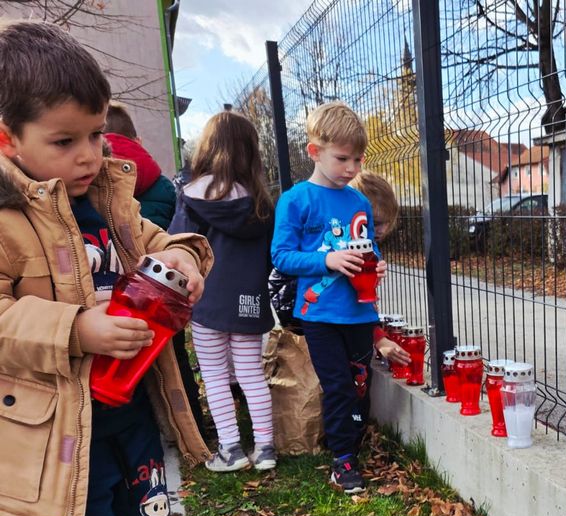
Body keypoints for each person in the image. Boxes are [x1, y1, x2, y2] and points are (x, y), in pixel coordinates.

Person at [0, 21, 218, 516]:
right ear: (9, 139)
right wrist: (76, 326)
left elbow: (169, 240)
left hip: (128, 414)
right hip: (59, 432)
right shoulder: (8, 217)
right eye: (65, 141)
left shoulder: (110, 199)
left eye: (96, 134)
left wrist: (184, 261)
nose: (90, 154)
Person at [271, 102, 389, 493]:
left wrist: (378, 264)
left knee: (359, 383)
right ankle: (343, 460)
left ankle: (353, 441)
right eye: (342, 158)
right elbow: (282, 256)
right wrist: (328, 260)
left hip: (360, 313)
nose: (352, 169)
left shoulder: (359, 202)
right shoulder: (296, 200)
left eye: (358, 159)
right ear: (314, 151)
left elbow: (367, 244)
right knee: (337, 386)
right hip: (320, 315)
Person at [169, 111, 277, 472]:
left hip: (208, 302)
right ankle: (265, 448)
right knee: (251, 374)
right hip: (250, 299)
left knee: (214, 376)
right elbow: (269, 256)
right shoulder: (261, 201)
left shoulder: (191, 196)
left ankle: (230, 449)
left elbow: (178, 247)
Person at [103, 101, 207, 438]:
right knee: (170, 362)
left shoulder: (106, 192)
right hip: (161, 295)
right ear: (138, 140)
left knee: (124, 370)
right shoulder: (161, 185)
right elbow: (168, 230)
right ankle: (186, 429)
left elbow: (157, 236)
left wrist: (182, 252)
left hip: (125, 295)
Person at [348, 170, 410, 368]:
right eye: (375, 223)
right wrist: (379, 338)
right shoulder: (351, 255)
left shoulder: (371, 250)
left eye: (387, 222)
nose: (382, 230)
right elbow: (358, 306)